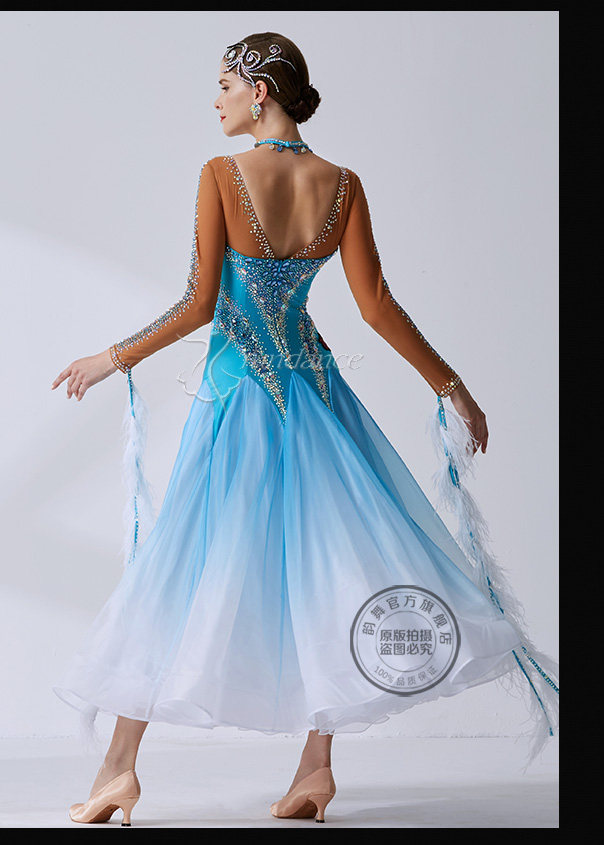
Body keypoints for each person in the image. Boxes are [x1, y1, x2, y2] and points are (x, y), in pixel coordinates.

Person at [50, 32, 558, 826]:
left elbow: (197, 304)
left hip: (239, 402)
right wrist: (452, 388)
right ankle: (315, 767)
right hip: (318, 398)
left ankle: (120, 769)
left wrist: (110, 357)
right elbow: (377, 305)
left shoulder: (222, 174)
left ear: (260, 91)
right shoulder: (342, 184)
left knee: (181, 570)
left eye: (224, 84)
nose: (215, 99)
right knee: (331, 570)